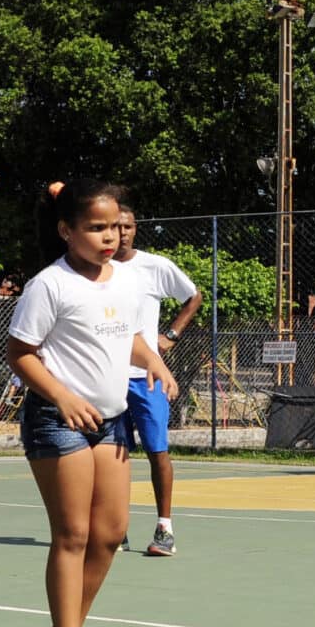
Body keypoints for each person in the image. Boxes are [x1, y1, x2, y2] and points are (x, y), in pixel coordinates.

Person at [6, 178, 177, 627]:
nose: (109, 237)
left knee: (110, 534)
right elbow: (20, 353)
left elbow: (128, 338)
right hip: (58, 421)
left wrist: (155, 363)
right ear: (66, 230)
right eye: (96, 228)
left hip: (113, 421)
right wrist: (61, 396)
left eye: (115, 227)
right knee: (73, 536)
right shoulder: (50, 285)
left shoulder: (123, 281)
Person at [114, 202, 202, 556]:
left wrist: (171, 335)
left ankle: (164, 528)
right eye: (114, 226)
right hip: (107, 378)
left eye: (127, 226)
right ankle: (116, 528)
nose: (121, 233)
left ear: (136, 229)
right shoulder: (94, 269)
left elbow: (193, 296)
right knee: (112, 455)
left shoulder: (154, 266)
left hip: (146, 378)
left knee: (157, 451)